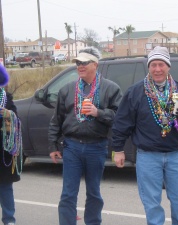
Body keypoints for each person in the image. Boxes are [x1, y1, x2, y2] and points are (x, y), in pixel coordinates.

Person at [112, 46, 178, 225]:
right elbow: (122, 122)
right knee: (152, 204)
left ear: (168, 66)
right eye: (153, 65)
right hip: (147, 156)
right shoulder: (135, 92)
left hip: (175, 155)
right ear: (149, 67)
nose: (157, 69)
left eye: (161, 64)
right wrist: (118, 149)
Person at [48, 47, 122, 225]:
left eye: (84, 63)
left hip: (96, 147)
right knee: (68, 193)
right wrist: (53, 146)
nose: (80, 66)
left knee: (94, 193)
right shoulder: (67, 89)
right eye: (77, 63)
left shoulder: (110, 88)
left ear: (95, 64)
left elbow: (119, 118)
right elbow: (56, 119)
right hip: (72, 146)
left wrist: (98, 113)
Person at [0, 64, 22, 225]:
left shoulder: (6, 97)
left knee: (5, 187)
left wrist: (7, 114)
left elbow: (16, 120)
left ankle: (9, 220)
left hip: (3, 151)